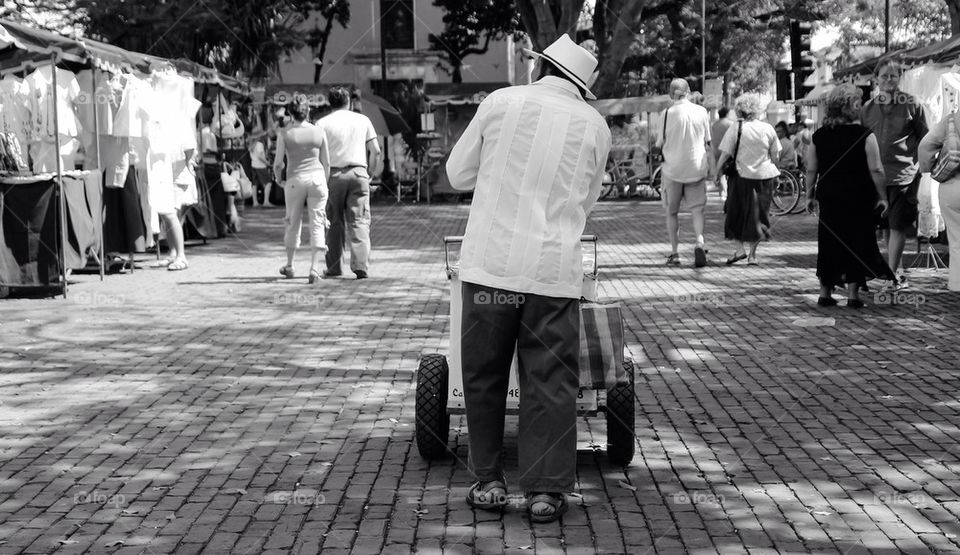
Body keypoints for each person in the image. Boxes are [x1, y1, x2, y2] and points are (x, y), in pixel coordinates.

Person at [446, 34, 611, 524]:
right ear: (580, 85)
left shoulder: (500, 102)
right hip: (554, 272)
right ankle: (545, 491)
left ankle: (489, 481)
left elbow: (457, 174)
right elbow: (588, 200)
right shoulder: (595, 125)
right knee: (551, 381)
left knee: (482, 376)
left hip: (491, 267)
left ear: (540, 67)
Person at [806, 84, 895, 307]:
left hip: (829, 195)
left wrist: (809, 195)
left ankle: (825, 292)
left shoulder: (819, 136)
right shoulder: (865, 135)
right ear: (852, 107)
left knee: (828, 241)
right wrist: (883, 196)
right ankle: (853, 296)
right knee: (856, 239)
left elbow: (811, 169)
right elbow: (876, 169)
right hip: (858, 195)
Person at [861, 60, 929, 289]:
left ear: (899, 78)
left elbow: (925, 138)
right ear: (876, 79)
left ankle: (891, 277)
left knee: (898, 225)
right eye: (885, 76)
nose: (889, 79)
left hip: (904, 175)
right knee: (886, 228)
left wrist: (919, 166)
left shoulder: (912, 104)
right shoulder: (867, 109)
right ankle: (897, 273)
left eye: (894, 75)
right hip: (876, 178)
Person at [314, 87, 380, 280]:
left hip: (332, 175)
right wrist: (370, 174)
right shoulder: (363, 120)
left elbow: (318, 155)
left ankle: (334, 267)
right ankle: (361, 266)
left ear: (330, 103)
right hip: (359, 173)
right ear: (349, 102)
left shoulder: (321, 123)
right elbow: (375, 150)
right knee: (359, 221)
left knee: (333, 222)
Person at [714, 93, 781, 265]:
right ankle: (752, 255)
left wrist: (717, 172)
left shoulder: (736, 127)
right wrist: (777, 171)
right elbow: (776, 155)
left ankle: (739, 250)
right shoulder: (768, 128)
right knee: (759, 216)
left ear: (739, 110)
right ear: (756, 109)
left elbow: (725, 154)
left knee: (734, 212)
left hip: (741, 177)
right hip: (765, 177)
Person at [657, 78, 714, 267]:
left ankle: (675, 253)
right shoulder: (702, 112)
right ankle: (699, 241)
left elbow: (659, 144)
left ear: (670, 93)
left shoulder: (665, 114)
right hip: (696, 167)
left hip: (672, 170)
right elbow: (707, 141)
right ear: (689, 91)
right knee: (697, 210)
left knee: (671, 212)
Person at [273, 98, 330, 284]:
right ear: (308, 111)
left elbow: (278, 163)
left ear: (290, 113)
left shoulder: (285, 133)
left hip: (295, 180)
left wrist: (279, 179)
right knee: (318, 223)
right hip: (317, 178)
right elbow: (326, 162)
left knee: (292, 221)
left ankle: (290, 265)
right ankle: (314, 268)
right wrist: (325, 182)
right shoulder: (319, 131)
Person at [918, 115, 960, 291]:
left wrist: (929, 168)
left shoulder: (952, 120)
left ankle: (957, 283)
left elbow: (925, 146)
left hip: (952, 185)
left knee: (957, 238)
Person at [711, 107, 737, 199]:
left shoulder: (715, 124)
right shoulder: (730, 124)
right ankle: (729, 191)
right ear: (727, 114)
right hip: (728, 149)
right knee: (730, 170)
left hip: (717, 149)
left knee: (721, 171)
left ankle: (722, 191)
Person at [248, 133, 272, 207]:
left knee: (255, 184)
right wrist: (268, 163)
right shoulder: (259, 144)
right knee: (268, 182)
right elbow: (260, 157)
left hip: (253, 165)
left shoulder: (251, 145)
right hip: (260, 166)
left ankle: (255, 202)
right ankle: (266, 201)